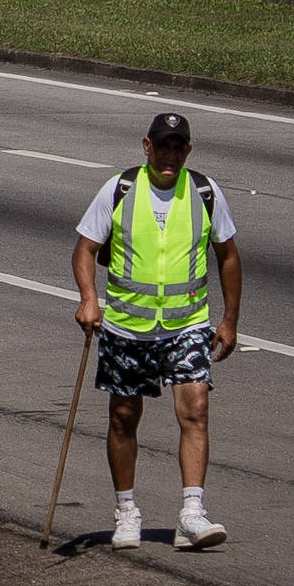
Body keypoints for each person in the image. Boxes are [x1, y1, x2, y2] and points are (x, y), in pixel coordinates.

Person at [71, 111, 241, 552]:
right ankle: (126, 511)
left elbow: (227, 256)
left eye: (178, 147)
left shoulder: (203, 191)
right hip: (128, 327)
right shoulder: (120, 189)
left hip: (187, 323)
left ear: (188, 150)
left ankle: (191, 514)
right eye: (162, 146)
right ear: (146, 146)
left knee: (196, 408)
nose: (170, 155)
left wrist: (228, 319)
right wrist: (89, 298)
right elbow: (86, 248)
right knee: (123, 418)